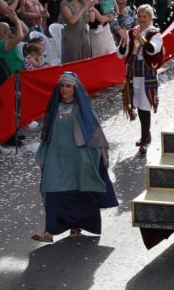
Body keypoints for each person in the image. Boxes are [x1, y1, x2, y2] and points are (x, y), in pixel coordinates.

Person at [32, 71, 118, 243]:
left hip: (78, 158)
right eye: (62, 86)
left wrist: (98, 156)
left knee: (77, 192)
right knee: (51, 190)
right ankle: (49, 232)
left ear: (75, 89)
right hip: (55, 158)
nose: (64, 89)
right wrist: (42, 157)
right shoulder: (55, 108)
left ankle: (75, 227)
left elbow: (95, 135)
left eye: (68, 86)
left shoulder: (83, 110)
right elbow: (47, 135)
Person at [123, 4, 164, 155]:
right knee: (139, 105)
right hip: (134, 72)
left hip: (147, 73)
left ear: (150, 17)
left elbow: (152, 49)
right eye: (139, 17)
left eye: (144, 17)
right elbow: (123, 54)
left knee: (145, 106)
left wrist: (140, 38)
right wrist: (123, 41)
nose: (141, 19)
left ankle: (144, 140)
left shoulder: (155, 34)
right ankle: (146, 134)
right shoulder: (132, 31)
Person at [59, 0, 92, 64]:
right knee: (73, 64)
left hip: (84, 37)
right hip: (71, 38)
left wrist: (90, 8)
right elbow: (72, 20)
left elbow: (90, 20)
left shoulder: (82, 4)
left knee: (85, 64)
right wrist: (85, 7)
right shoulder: (64, 4)